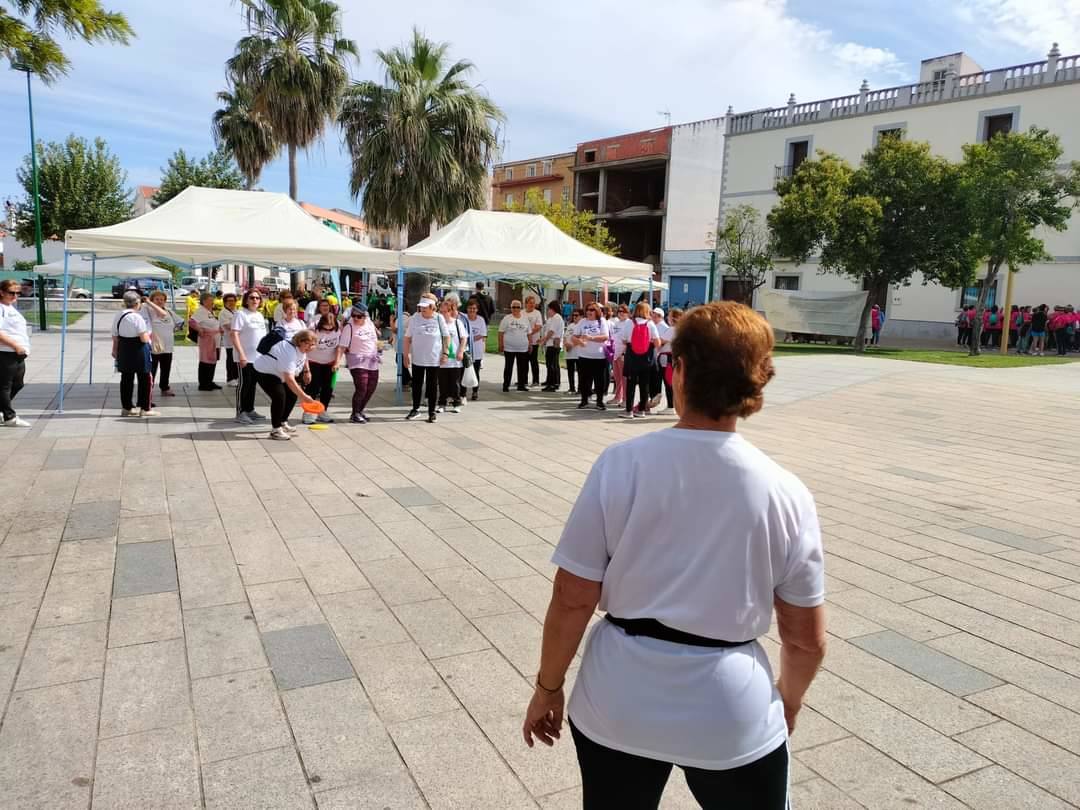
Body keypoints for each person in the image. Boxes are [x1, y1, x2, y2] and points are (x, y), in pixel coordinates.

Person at [522, 302, 826, 810]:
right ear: (755, 382)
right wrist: (787, 701)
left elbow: (573, 597)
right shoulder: (785, 492)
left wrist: (547, 688)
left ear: (678, 370)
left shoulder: (622, 465)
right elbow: (806, 639)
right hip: (730, 707)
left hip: (619, 696)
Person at [254, 328, 317, 440]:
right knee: (279, 396)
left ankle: (282, 421)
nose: (311, 348)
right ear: (301, 342)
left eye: (313, 345)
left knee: (292, 394)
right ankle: (276, 430)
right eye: (309, 345)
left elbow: (301, 361)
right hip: (264, 371)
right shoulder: (289, 351)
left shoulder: (301, 349)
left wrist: (307, 371)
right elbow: (289, 379)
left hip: (279, 372)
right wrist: (304, 397)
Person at [111, 291, 158, 417]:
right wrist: (148, 335)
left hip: (124, 349)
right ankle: (145, 407)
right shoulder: (137, 317)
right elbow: (143, 338)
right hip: (139, 350)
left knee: (126, 379)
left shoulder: (119, 315)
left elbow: (115, 336)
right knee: (145, 378)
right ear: (137, 303)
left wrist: (114, 350)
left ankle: (127, 407)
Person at [404, 295, 449, 423]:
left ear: (432, 307)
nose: (422, 309)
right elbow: (407, 338)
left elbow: (446, 337)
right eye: (421, 307)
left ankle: (431, 412)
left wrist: (445, 353)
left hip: (433, 358)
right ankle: (415, 408)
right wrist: (405, 355)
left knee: (432, 385)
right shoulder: (415, 318)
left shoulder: (439, 318)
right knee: (417, 384)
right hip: (418, 358)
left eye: (425, 307)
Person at [338, 304, 381, 423]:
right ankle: (355, 413)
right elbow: (342, 346)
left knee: (371, 387)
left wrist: (379, 347)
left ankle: (360, 410)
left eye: (359, 316)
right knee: (362, 386)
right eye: (354, 316)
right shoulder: (349, 327)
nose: (356, 318)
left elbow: (374, 339)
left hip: (372, 359)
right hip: (356, 360)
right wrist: (337, 362)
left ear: (365, 316)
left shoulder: (369, 323)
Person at [231, 290, 269, 424]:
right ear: (246, 300)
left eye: (258, 298)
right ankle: (240, 412)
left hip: (258, 358)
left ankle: (249, 409)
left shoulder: (259, 315)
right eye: (252, 297)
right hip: (245, 357)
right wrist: (241, 354)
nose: (255, 300)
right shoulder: (240, 314)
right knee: (244, 384)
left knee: (252, 384)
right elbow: (234, 335)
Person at [620, 302, 661, 419]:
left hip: (632, 356)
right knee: (645, 384)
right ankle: (642, 410)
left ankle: (628, 411)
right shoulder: (651, 324)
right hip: (646, 357)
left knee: (630, 384)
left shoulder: (629, 323)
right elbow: (657, 343)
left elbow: (623, 340)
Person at [303, 300, 340, 424]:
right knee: (313, 388)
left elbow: (339, 346)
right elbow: (304, 348)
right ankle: (308, 412)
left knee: (327, 389)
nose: (328, 332)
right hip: (314, 361)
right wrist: (306, 369)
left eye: (331, 329)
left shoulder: (338, 326)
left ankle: (322, 411)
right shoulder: (313, 327)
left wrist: (337, 362)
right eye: (325, 329)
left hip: (329, 363)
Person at [0, 279, 31, 427]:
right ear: (2, 292)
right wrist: (15, 345)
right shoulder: (1, 308)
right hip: (6, 352)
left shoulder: (10, 307)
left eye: (18, 292)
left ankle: (2, 410)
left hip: (17, 352)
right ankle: (9, 417)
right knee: (4, 385)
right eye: (11, 292)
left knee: (18, 384)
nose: (15, 295)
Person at [142, 290, 183, 398]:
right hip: (155, 346)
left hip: (168, 345)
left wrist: (176, 329)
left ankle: (164, 387)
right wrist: (148, 303)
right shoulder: (148, 310)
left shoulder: (169, 311)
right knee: (152, 369)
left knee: (166, 368)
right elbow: (159, 314)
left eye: (162, 300)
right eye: (157, 299)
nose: (160, 301)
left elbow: (180, 322)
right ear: (152, 300)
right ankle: (148, 390)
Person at [573, 303, 611, 411]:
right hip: (584, 356)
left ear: (597, 311)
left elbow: (605, 337)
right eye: (588, 310)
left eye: (592, 310)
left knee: (599, 380)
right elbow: (574, 337)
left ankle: (599, 401)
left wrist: (590, 338)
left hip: (599, 357)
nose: (589, 312)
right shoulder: (582, 322)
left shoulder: (601, 321)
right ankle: (584, 400)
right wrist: (579, 341)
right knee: (584, 380)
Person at [436, 294, 469, 413]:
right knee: (442, 383)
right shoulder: (438, 323)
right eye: (441, 311)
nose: (442, 314)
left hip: (454, 359)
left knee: (455, 383)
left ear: (450, 311)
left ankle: (456, 402)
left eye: (444, 311)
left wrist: (460, 351)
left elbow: (464, 338)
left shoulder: (457, 323)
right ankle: (441, 403)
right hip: (441, 359)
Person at [190, 292, 222, 391]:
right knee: (205, 361)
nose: (213, 302)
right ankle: (203, 384)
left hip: (215, 339)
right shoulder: (201, 311)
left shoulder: (209, 311)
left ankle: (210, 381)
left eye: (213, 300)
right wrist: (199, 329)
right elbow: (191, 321)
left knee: (213, 360)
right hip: (207, 339)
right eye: (210, 300)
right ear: (204, 301)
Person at [499, 300, 531, 392]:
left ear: (520, 308)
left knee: (522, 368)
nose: (515, 309)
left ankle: (521, 385)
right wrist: (501, 344)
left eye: (518, 307)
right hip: (509, 348)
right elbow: (501, 332)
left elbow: (529, 333)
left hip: (523, 348)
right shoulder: (506, 318)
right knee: (508, 367)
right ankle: (506, 385)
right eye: (513, 307)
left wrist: (530, 344)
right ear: (511, 308)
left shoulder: (525, 319)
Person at [649, 308, 674, 414]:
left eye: (655, 315)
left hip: (665, 359)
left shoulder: (667, 328)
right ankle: (660, 399)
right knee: (663, 381)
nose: (653, 317)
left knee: (668, 382)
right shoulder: (670, 328)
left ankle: (670, 406)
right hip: (663, 358)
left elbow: (660, 342)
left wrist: (651, 341)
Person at [608, 304, 630, 407]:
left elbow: (628, 341)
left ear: (627, 313)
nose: (621, 313)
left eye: (623, 311)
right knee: (617, 378)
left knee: (624, 378)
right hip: (615, 353)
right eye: (619, 311)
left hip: (623, 354)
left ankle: (626, 399)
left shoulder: (628, 323)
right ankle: (618, 397)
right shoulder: (616, 323)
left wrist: (624, 353)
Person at [465, 299, 487, 401]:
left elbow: (482, 335)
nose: (472, 310)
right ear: (467, 309)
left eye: (474, 308)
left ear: (477, 309)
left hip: (477, 351)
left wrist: (469, 338)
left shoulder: (481, 320)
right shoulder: (463, 319)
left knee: (476, 371)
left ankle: (475, 391)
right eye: (470, 308)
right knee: (464, 372)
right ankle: (462, 393)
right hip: (465, 350)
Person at [541, 301, 564, 392]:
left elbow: (551, 332)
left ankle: (553, 383)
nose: (548, 311)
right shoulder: (552, 318)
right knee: (551, 363)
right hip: (550, 344)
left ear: (553, 309)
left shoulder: (556, 318)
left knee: (552, 364)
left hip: (554, 343)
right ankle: (551, 381)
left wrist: (544, 340)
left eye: (549, 309)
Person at [523, 294, 544, 387]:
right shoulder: (522, 313)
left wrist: (529, 333)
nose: (532, 305)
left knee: (533, 361)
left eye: (533, 303)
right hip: (523, 341)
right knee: (523, 361)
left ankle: (536, 380)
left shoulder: (537, 313)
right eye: (530, 303)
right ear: (526, 304)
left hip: (534, 341)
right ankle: (523, 379)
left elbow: (539, 326)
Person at [219, 293, 240, 386]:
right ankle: (230, 378)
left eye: (233, 301)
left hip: (238, 340)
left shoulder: (236, 311)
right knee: (231, 359)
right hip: (229, 340)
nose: (232, 303)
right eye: (229, 301)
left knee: (236, 359)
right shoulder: (223, 313)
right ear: (225, 302)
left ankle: (236, 377)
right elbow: (227, 326)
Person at [564, 309, 583, 396]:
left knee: (580, 372)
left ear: (581, 316)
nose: (574, 317)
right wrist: (566, 344)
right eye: (573, 315)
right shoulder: (570, 325)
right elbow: (565, 336)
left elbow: (581, 338)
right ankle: (571, 387)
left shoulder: (582, 325)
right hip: (569, 352)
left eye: (577, 315)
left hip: (578, 352)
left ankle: (580, 389)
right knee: (570, 371)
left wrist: (572, 345)